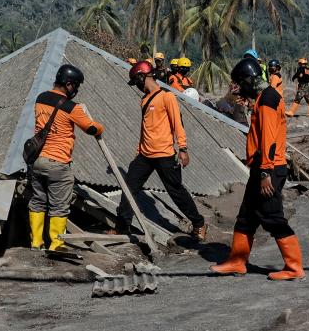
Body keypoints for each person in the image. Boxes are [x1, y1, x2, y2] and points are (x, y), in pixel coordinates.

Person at [211, 58, 305, 280]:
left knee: (272, 217)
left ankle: (294, 267)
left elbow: (270, 141)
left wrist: (265, 173)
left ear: (250, 80)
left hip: (269, 169)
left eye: (241, 83)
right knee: (246, 217)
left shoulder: (268, 100)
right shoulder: (264, 97)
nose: (239, 88)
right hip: (262, 167)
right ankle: (237, 261)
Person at [114, 61, 207, 241]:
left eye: (137, 81)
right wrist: (138, 148)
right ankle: (121, 227)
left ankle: (199, 224)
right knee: (129, 187)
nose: (138, 86)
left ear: (142, 76)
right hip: (144, 155)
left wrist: (183, 148)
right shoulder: (144, 100)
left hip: (164, 155)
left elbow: (177, 124)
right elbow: (145, 128)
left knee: (176, 192)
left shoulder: (167, 97)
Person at [28, 65, 104, 251]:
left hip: (36, 160)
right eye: (75, 86)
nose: (76, 90)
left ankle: (36, 242)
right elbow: (91, 129)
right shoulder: (72, 108)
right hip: (57, 162)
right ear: (68, 84)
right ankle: (56, 243)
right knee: (59, 205)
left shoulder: (40, 98)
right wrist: (100, 127)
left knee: (38, 201)